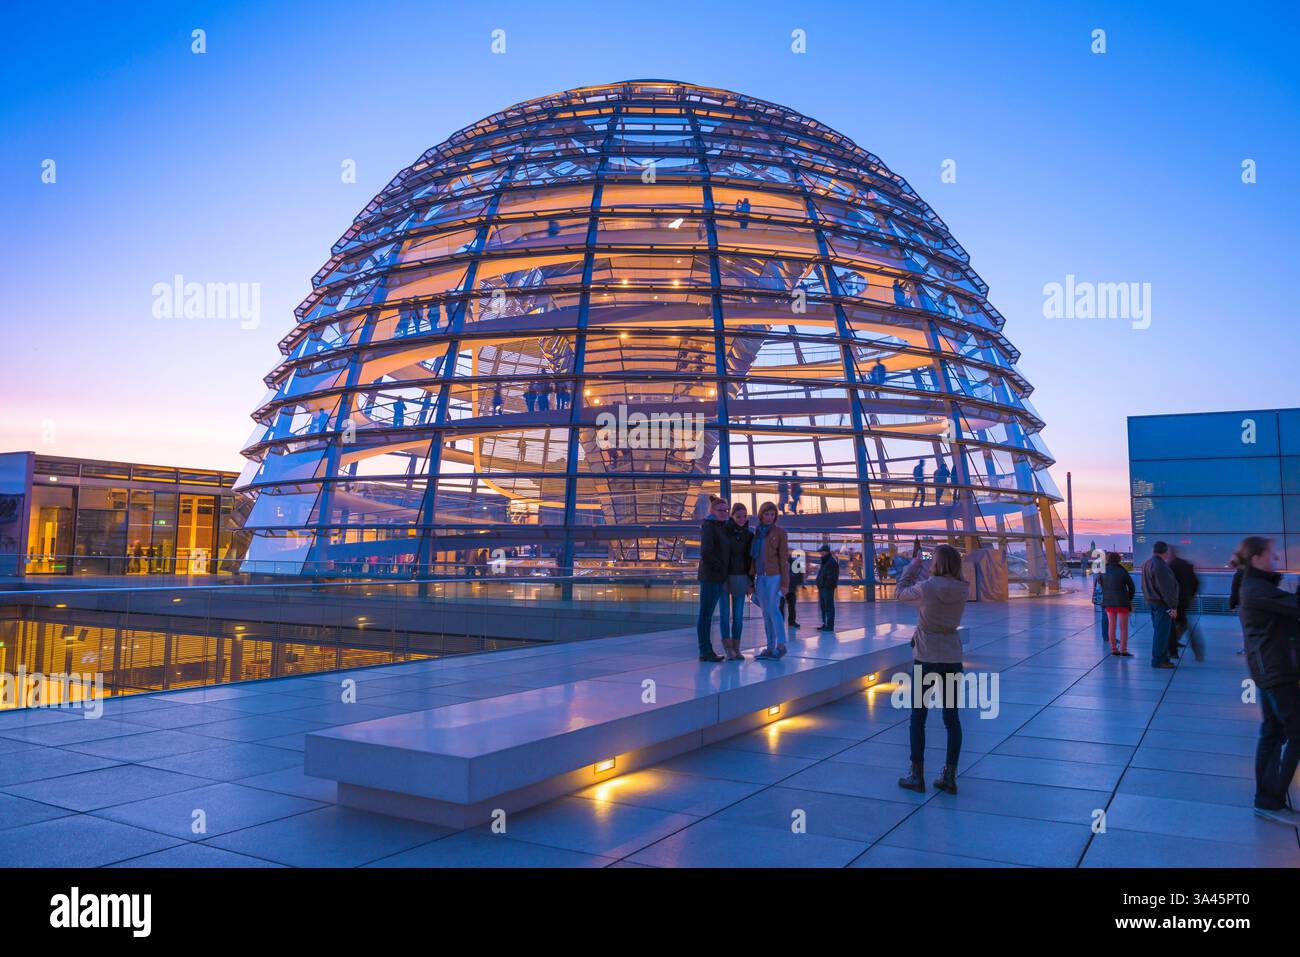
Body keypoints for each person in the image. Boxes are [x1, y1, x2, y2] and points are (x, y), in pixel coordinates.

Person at [1231, 536, 1300, 819]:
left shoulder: (1257, 586)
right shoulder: (1258, 589)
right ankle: (1270, 797)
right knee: (1292, 733)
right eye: (1272, 555)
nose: (1276, 560)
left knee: (1273, 731)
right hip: (1276, 670)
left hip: (1270, 668)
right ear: (1257, 557)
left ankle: (1267, 798)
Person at [896, 543, 968, 795]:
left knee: (918, 717)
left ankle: (917, 775)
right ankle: (949, 775)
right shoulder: (963, 588)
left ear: (935, 563)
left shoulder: (926, 588)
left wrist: (914, 565)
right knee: (951, 719)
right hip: (951, 655)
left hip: (926, 656)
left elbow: (900, 592)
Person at [750, 501, 790, 660]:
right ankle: (769, 647)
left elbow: (783, 559)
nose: (769, 517)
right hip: (760, 577)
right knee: (766, 613)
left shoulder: (780, 532)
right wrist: (752, 581)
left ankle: (781, 645)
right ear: (761, 514)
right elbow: (753, 558)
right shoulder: (757, 533)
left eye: (772, 514)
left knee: (773, 610)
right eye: (767, 514)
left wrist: (785, 583)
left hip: (774, 576)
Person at [695, 495, 730, 662]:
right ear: (712, 511)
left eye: (725, 510)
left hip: (716, 576)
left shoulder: (720, 525)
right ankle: (705, 651)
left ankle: (706, 650)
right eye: (720, 510)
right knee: (706, 614)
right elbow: (706, 552)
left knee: (707, 614)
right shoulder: (709, 526)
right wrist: (722, 568)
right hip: (710, 576)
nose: (724, 513)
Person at [718, 502, 754, 660]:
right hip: (724, 578)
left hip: (741, 577)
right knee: (725, 615)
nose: (742, 519)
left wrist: (751, 582)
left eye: (744, 516)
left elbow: (751, 560)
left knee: (738, 617)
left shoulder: (749, 535)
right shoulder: (725, 531)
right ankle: (728, 649)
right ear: (732, 516)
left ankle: (736, 648)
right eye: (738, 516)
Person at [1140, 541, 1180, 669]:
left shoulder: (1148, 563)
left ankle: (1160, 657)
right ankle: (1159, 659)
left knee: (1159, 631)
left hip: (1153, 602)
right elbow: (1167, 588)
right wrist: (1173, 607)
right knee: (1162, 632)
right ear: (1165, 552)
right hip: (1163, 604)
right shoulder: (1160, 566)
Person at [1167, 546, 1203, 662]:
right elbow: (1196, 582)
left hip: (1174, 601)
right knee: (1184, 623)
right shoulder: (1186, 565)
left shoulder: (1170, 566)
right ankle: (1196, 650)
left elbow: (1167, 585)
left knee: (1173, 625)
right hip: (1185, 600)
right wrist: (1191, 595)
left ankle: (1172, 650)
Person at [1099, 552, 1135, 657]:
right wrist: (1129, 598)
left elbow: (1101, 585)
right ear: (1119, 560)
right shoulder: (1122, 571)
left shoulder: (1103, 571)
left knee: (1111, 626)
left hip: (1109, 602)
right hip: (1122, 602)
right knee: (1123, 627)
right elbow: (1131, 586)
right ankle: (1123, 650)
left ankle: (1114, 649)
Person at [815, 544, 839, 630]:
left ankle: (829, 625)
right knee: (823, 607)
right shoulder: (825, 561)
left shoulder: (831, 562)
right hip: (823, 587)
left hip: (827, 588)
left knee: (828, 606)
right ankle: (825, 624)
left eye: (821, 552)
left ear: (826, 552)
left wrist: (826, 585)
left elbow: (831, 576)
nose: (820, 554)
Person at [779, 549, 804, 628]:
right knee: (782, 606)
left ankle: (791, 622)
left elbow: (800, 575)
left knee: (791, 605)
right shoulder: (780, 563)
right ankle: (782, 621)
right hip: (783, 588)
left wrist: (795, 584)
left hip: (790, 588)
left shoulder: (794, 563)